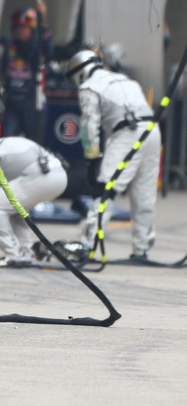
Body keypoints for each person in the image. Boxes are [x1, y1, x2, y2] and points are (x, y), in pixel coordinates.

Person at [69, 49, 160, 261]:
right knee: (144, 194)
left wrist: (92, 159)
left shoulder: (89, 86)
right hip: (152, 131)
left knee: (105, 190)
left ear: (80, 72)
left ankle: (87, 245)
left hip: (127, 132)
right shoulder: (126, 80)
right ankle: (142, 249)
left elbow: (88, 125)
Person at [0, 136, 65, 266]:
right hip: (59, 175)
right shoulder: (7, 141)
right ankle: (24, 253)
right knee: (14, 211)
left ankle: (13, 255)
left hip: (42, 176)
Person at [0, 1, 51, 140]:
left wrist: (43, 18)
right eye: (17, 28)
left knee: (35, 143)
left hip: (33, 104)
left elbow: (48, 51)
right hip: (12, 102)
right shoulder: (8, 44)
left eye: (24, 28)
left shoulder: (38, 47)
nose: (20, 31)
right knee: (5, 140)